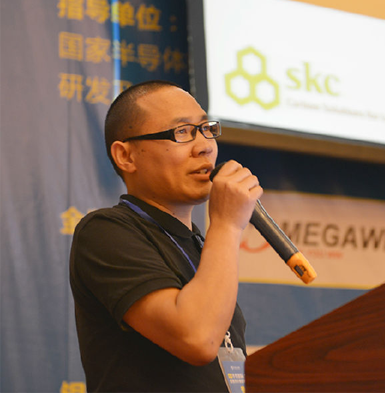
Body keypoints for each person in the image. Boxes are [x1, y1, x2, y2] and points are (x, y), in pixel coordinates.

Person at [69, 80, 262, 392]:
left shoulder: (201, 245)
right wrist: (227, 225)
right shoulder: (105, 230)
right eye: (182, 132)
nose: (204, 146)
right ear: (125, 156)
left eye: (206, 129)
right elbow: (197, 338)